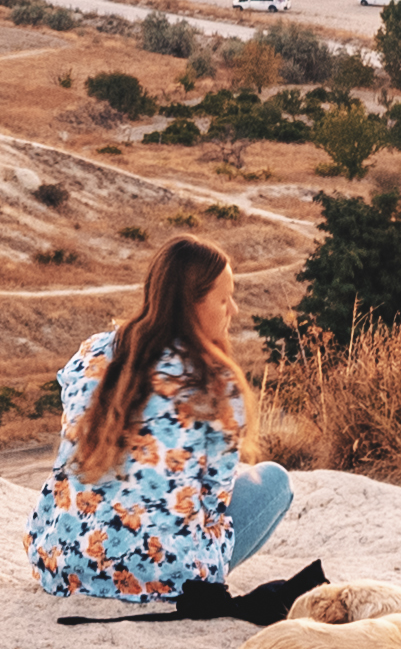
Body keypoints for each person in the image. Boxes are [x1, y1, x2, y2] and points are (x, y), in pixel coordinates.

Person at [24, 235, 311, 607]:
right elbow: (214, 501)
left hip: (65, 562)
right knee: (274, 481)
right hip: (161, 577)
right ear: (193, 304)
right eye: (224, 299)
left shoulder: (92, 352)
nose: (234, 309)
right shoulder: (214, 380)